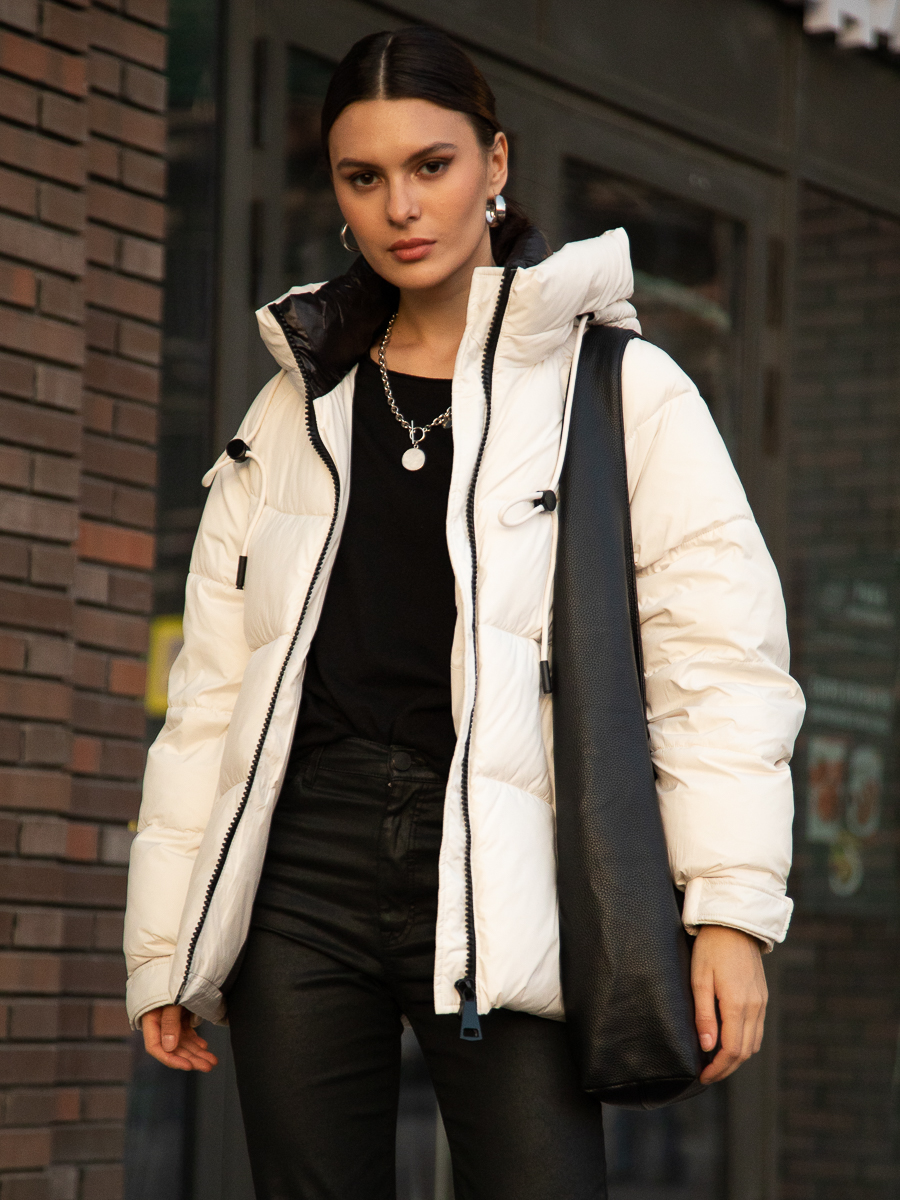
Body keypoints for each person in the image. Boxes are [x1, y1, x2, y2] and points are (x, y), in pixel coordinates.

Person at [124, 25, 805, 1200]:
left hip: (509, 854)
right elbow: (215, 691)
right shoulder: (295, 404)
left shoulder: (620, 389)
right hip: (305, 871)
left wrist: (732, 914)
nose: (400, 206)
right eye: (364, 175)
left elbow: (719, 664)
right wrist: (166, 943)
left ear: (495, 161)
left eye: (430, 165)